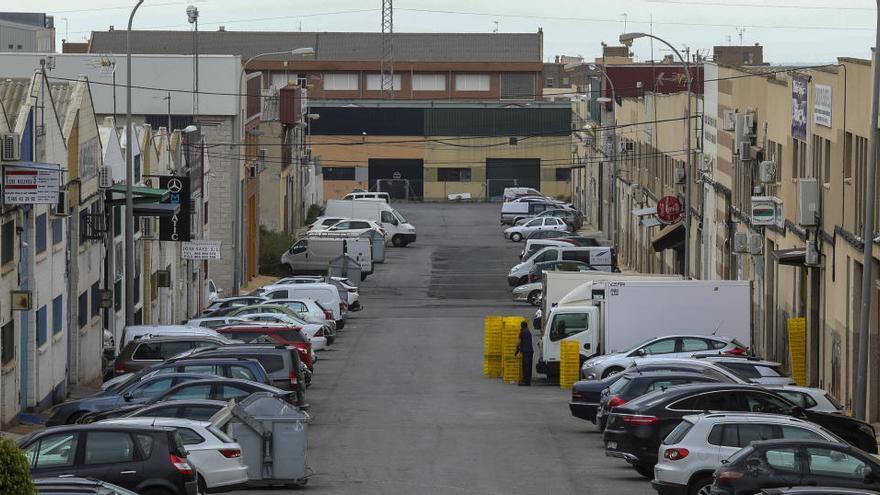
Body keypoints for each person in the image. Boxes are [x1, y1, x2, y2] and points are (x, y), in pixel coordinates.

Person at [514, 320, 534, 386]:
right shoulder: (528, 332)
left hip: (526, 351)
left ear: (521, 326)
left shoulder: (522, 332)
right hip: (530, 351)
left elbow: (518, 342)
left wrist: (516, 351)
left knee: (525, 366)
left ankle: (525, 382)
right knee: (529, 366)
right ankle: (528, 381)